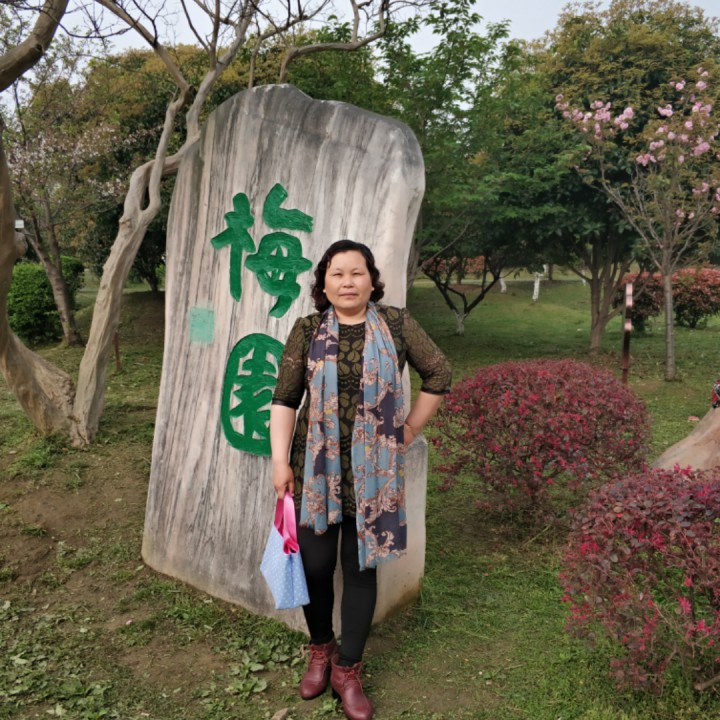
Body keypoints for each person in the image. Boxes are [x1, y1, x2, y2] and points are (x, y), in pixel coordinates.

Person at [270, 240, 451, 720]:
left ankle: (347, 668)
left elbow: (439, 372)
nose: (347, 282)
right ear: (324, 284)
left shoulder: (396, 325)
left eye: (357, 272)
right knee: (314, 566)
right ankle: (321, 648)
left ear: (372, 280)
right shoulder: (307, 330)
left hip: (373, 473)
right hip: (315, 469)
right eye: (337, 274)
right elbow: (285, 398)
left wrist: (408, 429)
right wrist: (279, 462)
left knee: (360, 569)